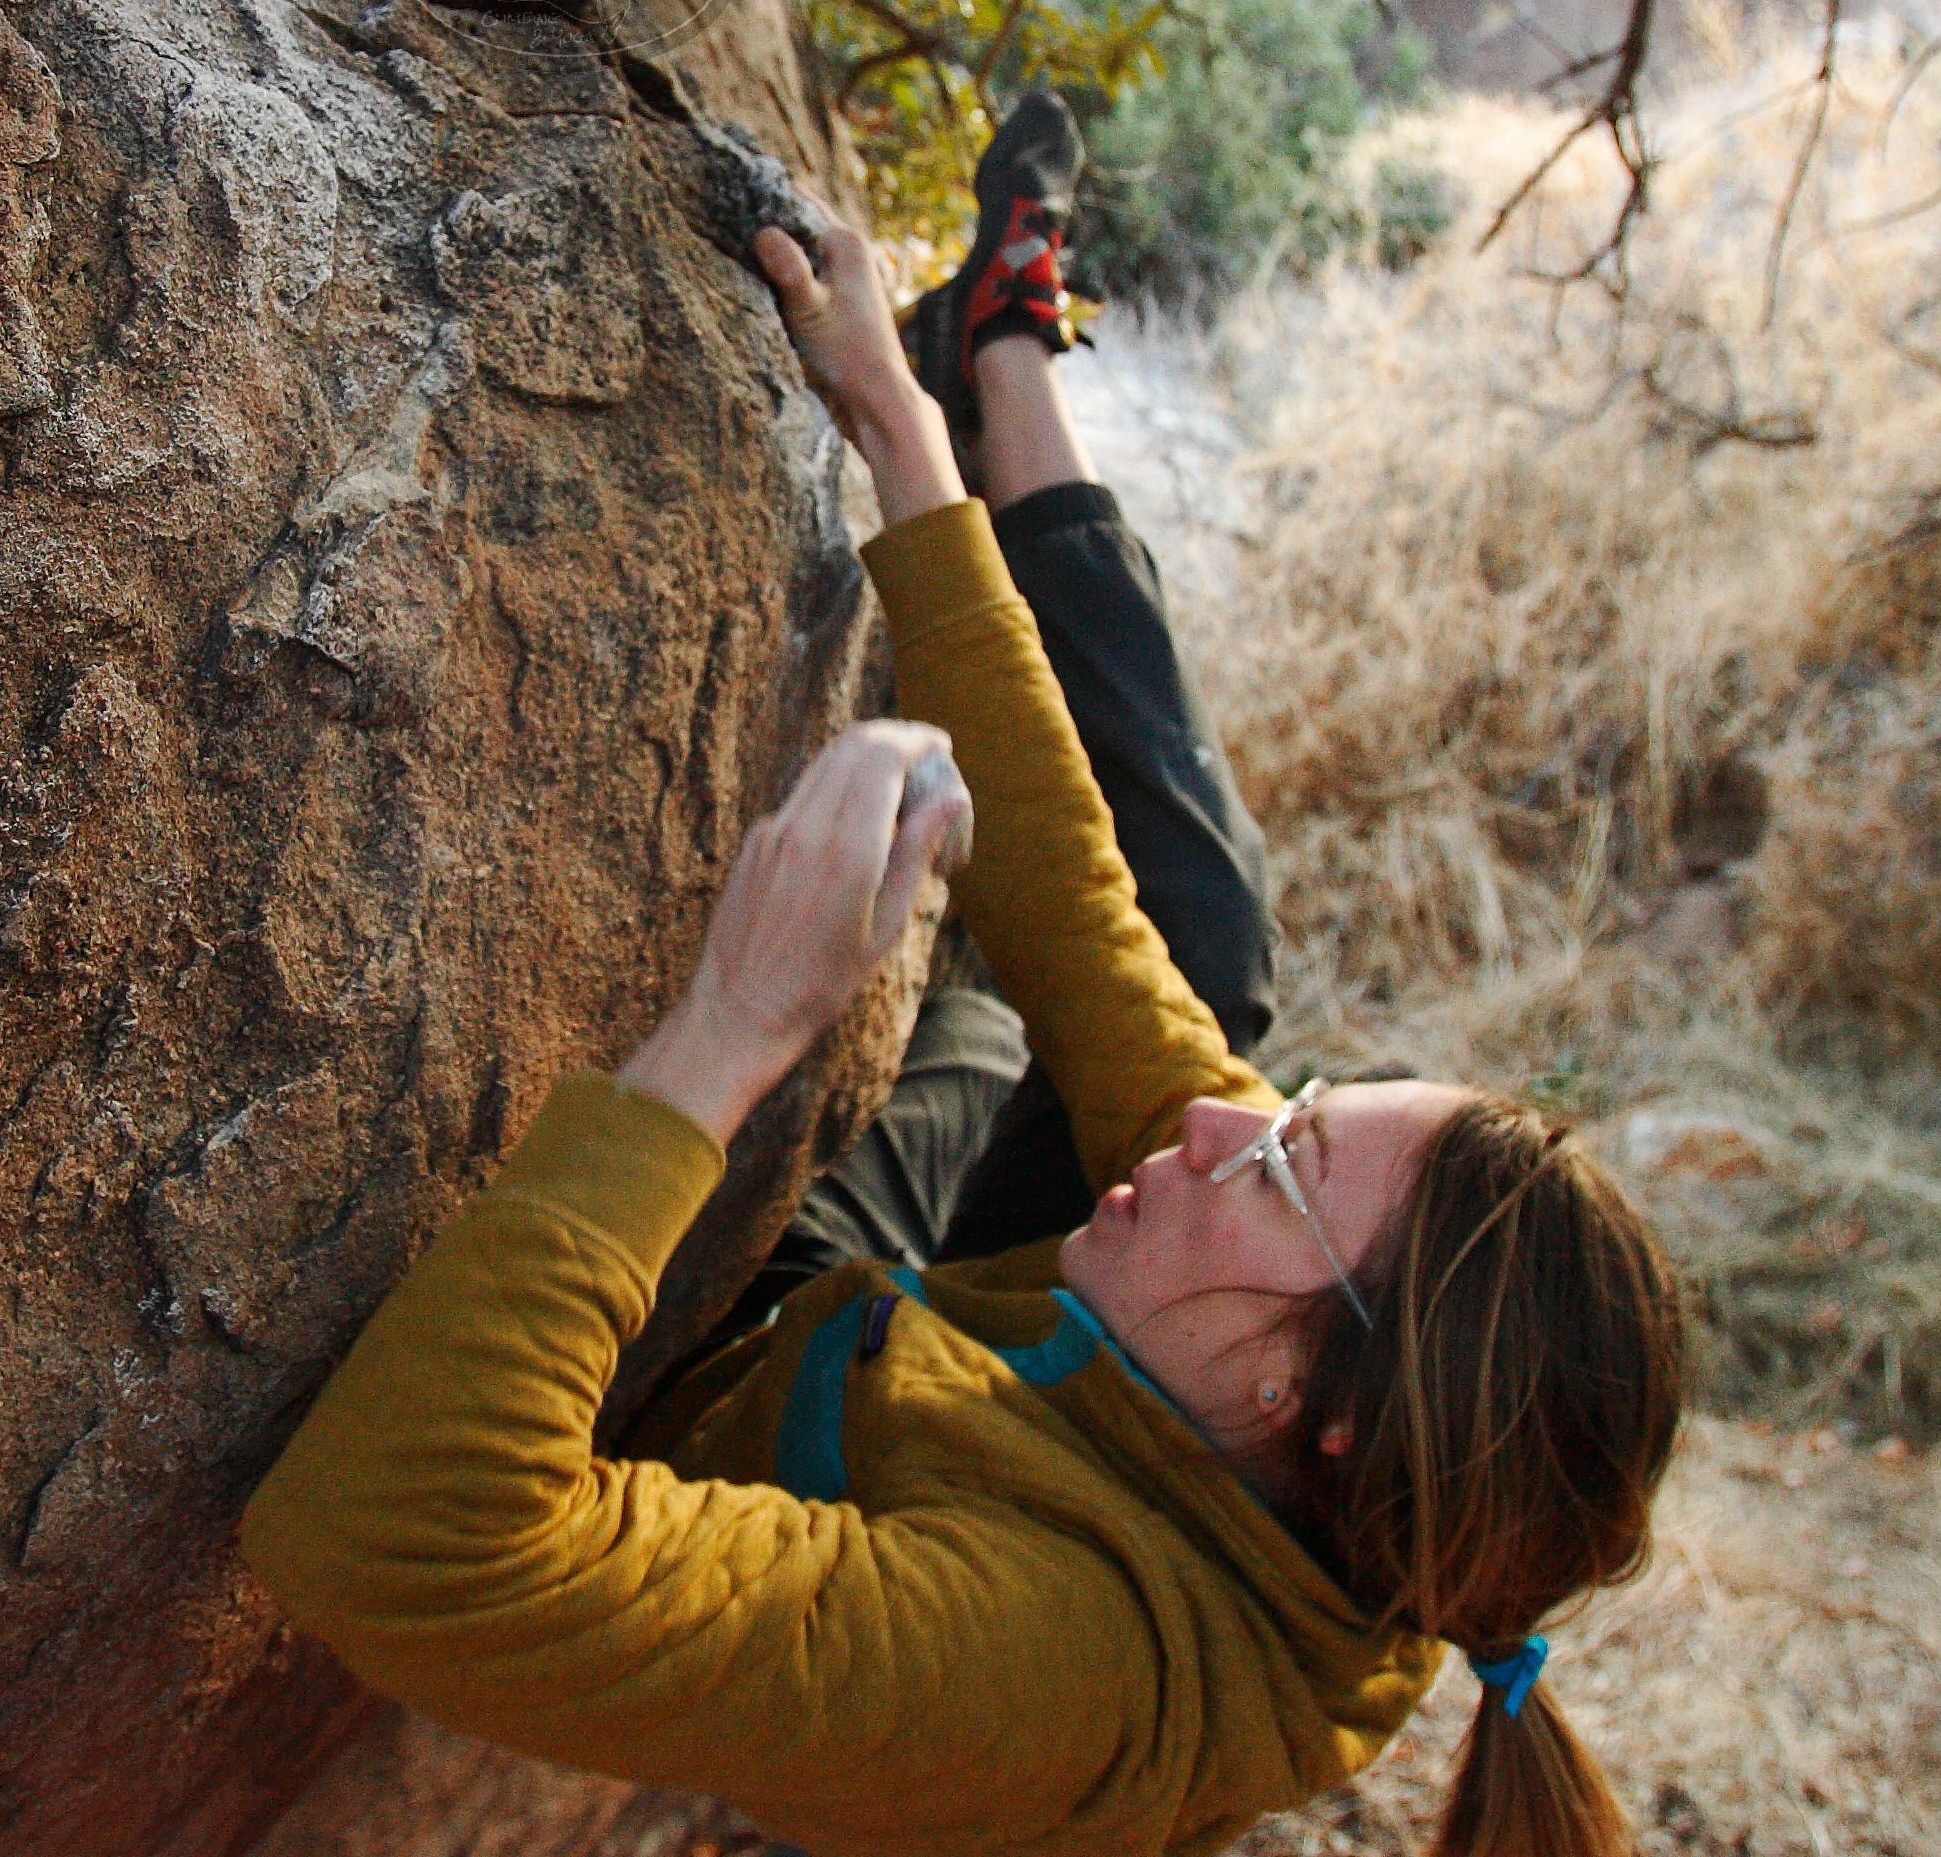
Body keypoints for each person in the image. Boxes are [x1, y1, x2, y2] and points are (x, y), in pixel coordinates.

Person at [242, 105, 1688, 1857]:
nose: (1225, 1121)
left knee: (1146, 981)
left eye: (1291, 1164)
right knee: (1183, 963)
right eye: (1300, 1117)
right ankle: (999, 361)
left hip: (762, 1383)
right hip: (932, 1356)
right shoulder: (1269, 1350)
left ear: (1314, 1406)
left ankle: (995, 391)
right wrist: (908, 442)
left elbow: (387, 1541)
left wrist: (737, 1026)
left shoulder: (1051, 1668)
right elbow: (1083, 899)